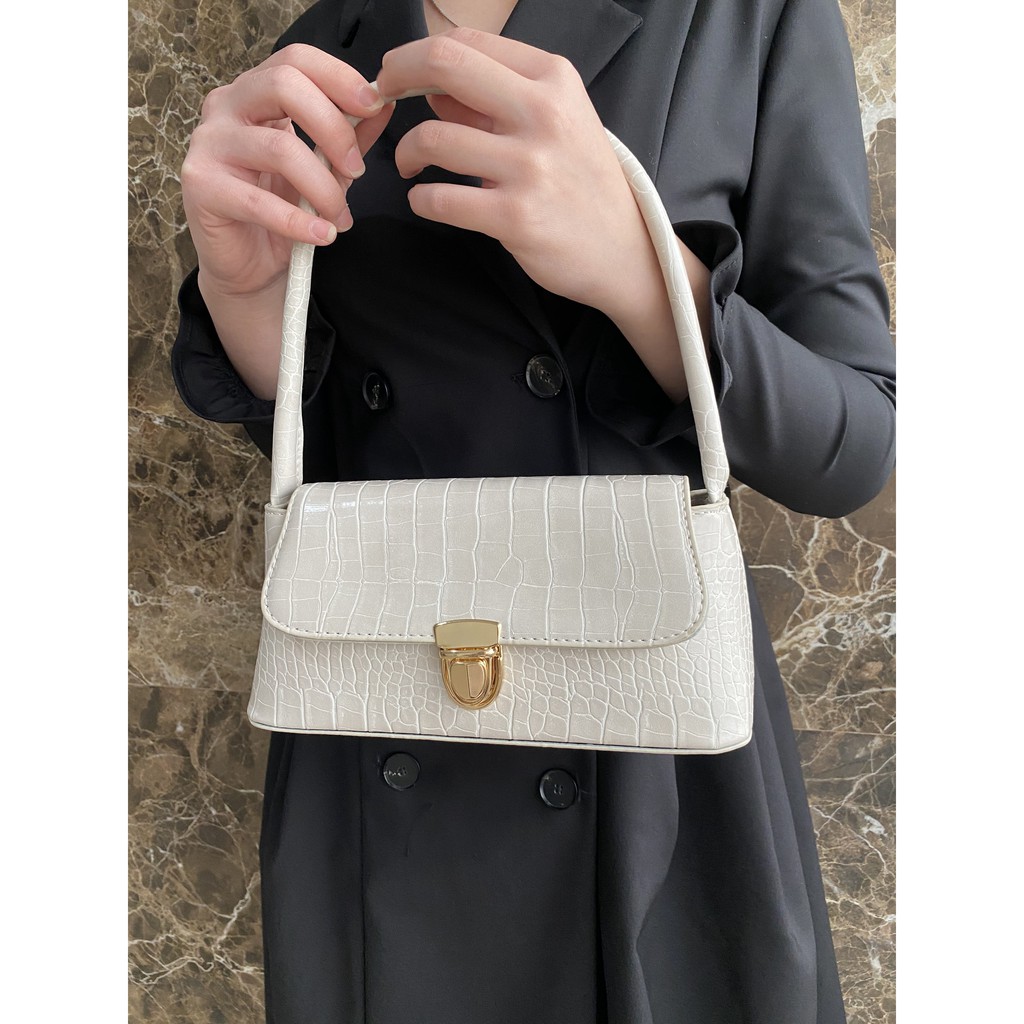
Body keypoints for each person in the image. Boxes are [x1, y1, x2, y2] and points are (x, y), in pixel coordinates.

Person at [171, 0, 896, 1021]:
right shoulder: (323, 45)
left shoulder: (743, 18)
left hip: (651, 752)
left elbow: (854, 448)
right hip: (375, 743)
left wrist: (636, 263)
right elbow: (337, 469)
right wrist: (247, 294)